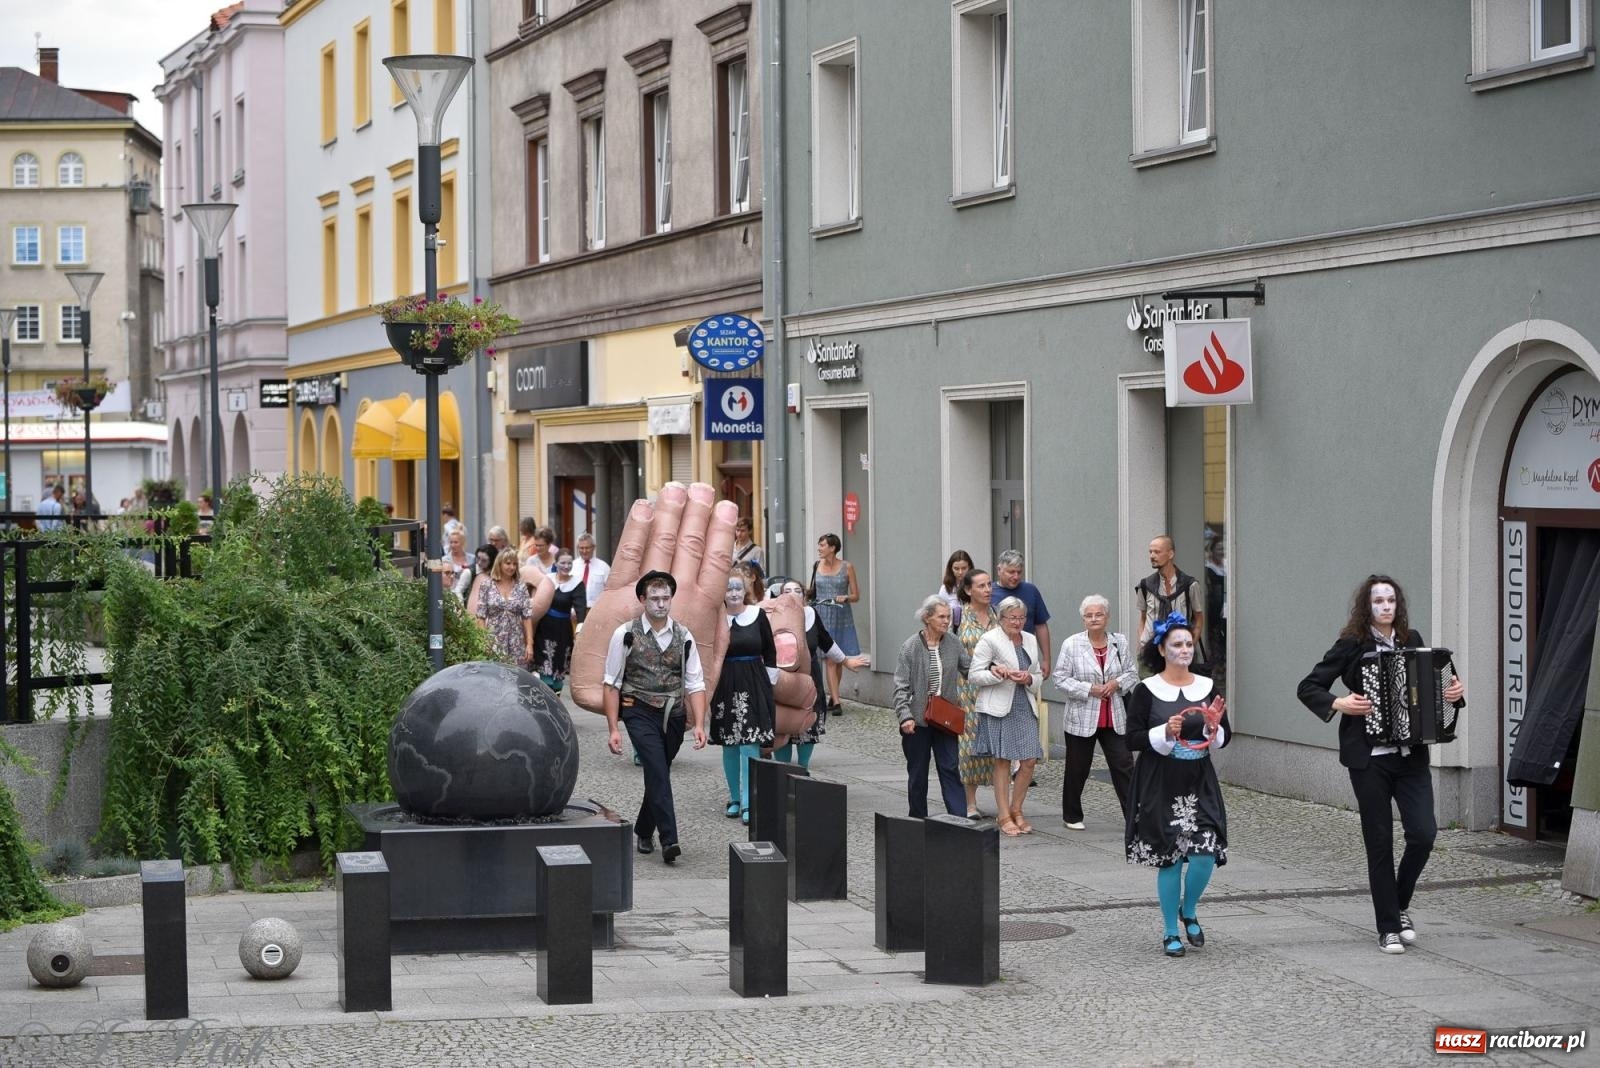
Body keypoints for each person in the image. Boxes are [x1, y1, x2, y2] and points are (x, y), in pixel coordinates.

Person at [1296, 575, 1464, 955]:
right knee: (1379, 841)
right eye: (1378, 601)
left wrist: (1454, 691)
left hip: (1411, 757)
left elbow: (1438, 687)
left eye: (1391, 601)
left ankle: (1399, 904)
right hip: (1369, 760)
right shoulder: (1352, 645)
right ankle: (1388, 926)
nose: (1386, 607)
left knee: (1424, 834)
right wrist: (1339, 703)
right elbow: (1309, 686)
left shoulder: (1413, 640)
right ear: (1366, 607)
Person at [1126, 614, 1230, 958]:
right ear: (1162, 649)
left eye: (1188, 644)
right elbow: (1133, 739)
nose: (1184, 650)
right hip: (1161, 780)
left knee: (1205, 853)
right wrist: (1165, 733)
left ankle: (1189, 909)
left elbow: (1223, 739)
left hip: (1199, 779)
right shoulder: (1147, 689)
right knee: (1169, 858)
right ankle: (1171, 930)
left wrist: (1213, 729)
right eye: (1177, 645)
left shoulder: (1206, 686)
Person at [602, 569, 708, 864]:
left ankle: (643, 829)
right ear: (642, 599)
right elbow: (611, 682)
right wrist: (613, 728)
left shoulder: (684, 636)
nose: (661, 604)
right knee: (658, 770)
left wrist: (699, 723)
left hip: (674, 714)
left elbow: (696, 682)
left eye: (666, 598)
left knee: (658, 771)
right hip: (638, 709)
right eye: (654, 598)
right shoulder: (624, 634)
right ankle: (670, 839)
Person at [1053, 595, 1137, 829]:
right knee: (1077, 768)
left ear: (1107, 617)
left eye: (1098, 614)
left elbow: (1132, 672)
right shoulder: (1072, 644)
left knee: (1124, 766)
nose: (1094, 619)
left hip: (1115, 716)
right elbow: (1060, 679)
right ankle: (1072, 815)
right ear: (1083, 619)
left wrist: (1116, 684)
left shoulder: (1119, 642)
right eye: (1089, 615)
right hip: (1082, 716)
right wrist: (1089, 689)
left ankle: (1134, 817)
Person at [771, 577, 869, 769]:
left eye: (797, 591)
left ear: (804, 595)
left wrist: (846, 660)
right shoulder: (774, 615)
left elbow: (826, 641)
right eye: (787, 592)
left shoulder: (810, 614)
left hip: (810, 678)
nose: (792, 595)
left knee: (808, 723)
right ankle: (781, 771)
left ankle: (803, 768)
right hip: (783, 678)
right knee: (783, 725)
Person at [970, 596, 1045, 837]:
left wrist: (1030, 679)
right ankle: (1004, 815)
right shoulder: (990, 639)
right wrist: (997, 673)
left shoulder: (1031, 639)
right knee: (1002, 760)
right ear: (1001, 619)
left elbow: (1038, 673)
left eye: (1021, 617)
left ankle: (1017, 808)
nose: (1017, 622)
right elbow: (975, 675)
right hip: (1000, 706)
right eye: (1012, 618)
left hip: (1025, 702)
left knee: (1030, 759)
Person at [892, 595, 971, 819]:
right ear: (927, 618)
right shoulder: (911, 647)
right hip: (917, 722)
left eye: (949, 617)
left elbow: (968, 668)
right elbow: (900, 686)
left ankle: (959, 820)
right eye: (941, 617)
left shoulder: (953, 642)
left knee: (950, 768)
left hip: (945, 718)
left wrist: (992, 668)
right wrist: (905, 716)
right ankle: (917, 820)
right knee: (918, 773)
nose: (947, 621)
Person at [709, 571, 777, 823]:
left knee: (750, 742)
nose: (734, 593)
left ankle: (750, 801)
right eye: (728, 589)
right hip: (725, 683)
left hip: (753, 681)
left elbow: (770, 651)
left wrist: (769, 683)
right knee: (730, 743)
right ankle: (735, 798)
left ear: (745, 590)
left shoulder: (757, 615)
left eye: (738, 588)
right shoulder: (716, 619)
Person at [954, 568, 997, 817]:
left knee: (995, 744)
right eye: (981, 586)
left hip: (994, 687)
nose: (987, 589)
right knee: (968, 745)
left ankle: (1003, 801)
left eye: (989, 584)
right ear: (969, 590)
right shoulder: (958, 617)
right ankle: (970, 802)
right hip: (966, 689)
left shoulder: (997, 615)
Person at [808, 533, 860, 712]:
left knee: (838, 659)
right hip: (822, 615)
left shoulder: (847, 567)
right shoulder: (817, 565)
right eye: (819, 545)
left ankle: (833, 696)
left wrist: (845, 597)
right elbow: (812, 589)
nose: (819, 548)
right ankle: (836, 701)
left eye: (822, 545)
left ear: (832, 548)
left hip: (841, 615)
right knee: (831, 658)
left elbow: (856, 595)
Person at [531, 550, 588, 691]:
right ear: (556, 563)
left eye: (569, 563)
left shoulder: (577, 584)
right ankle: (545, 699)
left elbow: (581, 610)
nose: (566, 566)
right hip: (544, 629)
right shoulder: (547, 579)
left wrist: (580, 631)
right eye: (562, 562)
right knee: (545, 670)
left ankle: (555, 701)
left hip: (563, 631)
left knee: (558, 672)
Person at [1136, 535, 1204, 649]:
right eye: (1150, 552)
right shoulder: (1144, 585)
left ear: (1170, 554)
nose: (1152, 556)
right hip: (1149, 653)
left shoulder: (1190, 585)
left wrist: (1189, 646)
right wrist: (1141, 644)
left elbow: (1199, 619)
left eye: (1157, 552)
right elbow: (1143, 618)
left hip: (1179, 651)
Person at [475, 549, 534, 667]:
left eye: (514, 564)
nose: (511, 567)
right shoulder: (487, 585)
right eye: (508, 563)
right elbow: (480, 616)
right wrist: (484, 641)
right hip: (493, 640)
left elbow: (527, 617)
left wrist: (529, 644)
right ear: (499, 564)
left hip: (516, 641)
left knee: (515, 677)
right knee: (494, 676)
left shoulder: (521, 587)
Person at [993, 549, 1051, 668]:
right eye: (1011, 572)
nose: (1016, 576)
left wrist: (1046, 659)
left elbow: (1040, 625)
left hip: (1026, 653)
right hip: (997, 656)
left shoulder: (1031, 590)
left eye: (1019, 572)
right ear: (999, 570)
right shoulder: (989, 592)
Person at [935, 550, 974, 628]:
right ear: (951, 569)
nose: (960, 572)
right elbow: (940, 613)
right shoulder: (945, 589)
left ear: (969, 568)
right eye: (956, 568)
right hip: (952, 630)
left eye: (964, 568)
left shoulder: (975, 585)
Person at [458, 542, 498, 615]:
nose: (479, 562)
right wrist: (462, 608)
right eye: (478, 558)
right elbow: (458, 591)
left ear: (492, 561)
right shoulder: (469, 572)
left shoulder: (495, 574)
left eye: (484, 560)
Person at [576, 532, 611, 608]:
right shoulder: (572, 567)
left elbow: (611, 591)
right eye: (581, 548)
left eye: (587, 548)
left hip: (597, 611)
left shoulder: (604, 567)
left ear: (594, 547)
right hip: (575, 612)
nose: (584, 551)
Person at [442, 529, 473, 599]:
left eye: (456, 542)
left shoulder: (472, 559)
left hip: (467, 595)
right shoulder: (443, 559)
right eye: (451, 542)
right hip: (449, 596)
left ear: (462, 542)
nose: (453, 545)